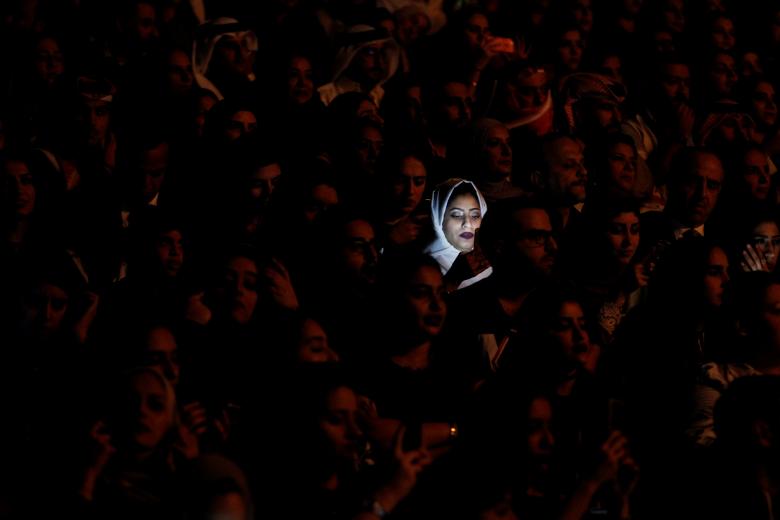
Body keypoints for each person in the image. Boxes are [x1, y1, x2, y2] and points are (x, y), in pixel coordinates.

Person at [424, 178, 492, 291]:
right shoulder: (425, 266)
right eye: (456, 215)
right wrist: (453, 280)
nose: (467, 224)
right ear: (439, 218)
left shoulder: (492, 259)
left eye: (475, 216)